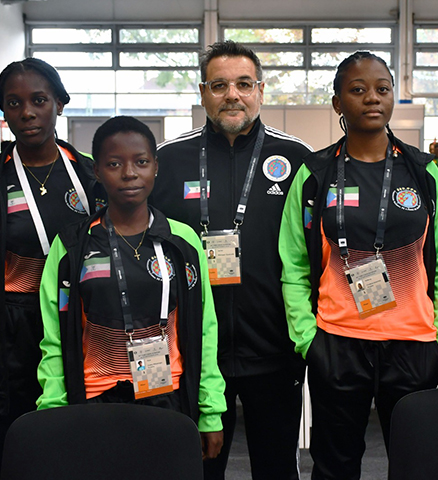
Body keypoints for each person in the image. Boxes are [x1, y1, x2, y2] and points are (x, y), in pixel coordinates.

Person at [279, 51, 438, 480]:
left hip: (415, 344)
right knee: (334, 466)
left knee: (417, 464)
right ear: (338, 102)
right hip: (337, 344)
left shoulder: (423, 172)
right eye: (357, 90)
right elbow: (293, 265)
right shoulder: (314, 174)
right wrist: (309, 340)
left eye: (382, 89)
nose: (372, 98)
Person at [0, 58, 105, 479]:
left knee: (81, 449)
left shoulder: (94, 174)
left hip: (81, 330)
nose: (26, 112)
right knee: (14, 451)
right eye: (13, 103)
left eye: (39, 100)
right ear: (3, 111)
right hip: (9, 337)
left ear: (60, 104)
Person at [151, 40, 311, 480]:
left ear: (260, 89)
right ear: (203, 93)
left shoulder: (298, 159)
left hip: (274, 347)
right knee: (200, 467)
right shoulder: (168, 160)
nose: (232, 95)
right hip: (197, 351)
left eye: (243, 84)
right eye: (219, 85)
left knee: (276, 467)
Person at [37, 116, 226, 459]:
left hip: (168, 396)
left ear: (155, 166)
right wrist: (53, 408)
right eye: (114, 164)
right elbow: (54, 337)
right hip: (95, 400)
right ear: (96, 171)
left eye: (141, 162)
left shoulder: (182, 242)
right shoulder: (71, 246)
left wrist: (210, 411)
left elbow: (205, 330)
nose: (129, 173)